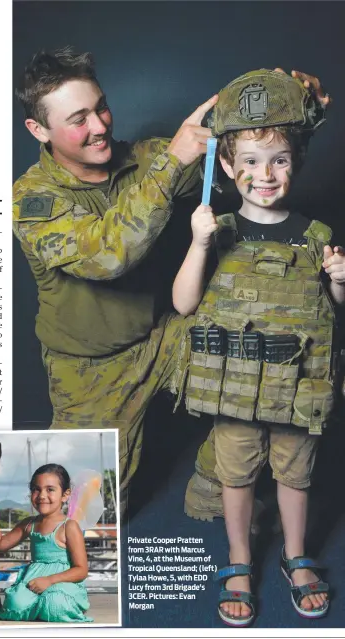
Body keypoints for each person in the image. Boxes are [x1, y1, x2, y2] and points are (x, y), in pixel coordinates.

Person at [12, 47, 330, 518]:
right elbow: (107, 254)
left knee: (263, 353)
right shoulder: (31, 198)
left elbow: (241, 167)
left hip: (165, 334)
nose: (100, 126)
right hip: (90, 370)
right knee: (84, 519)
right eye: (78, 119)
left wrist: (300, 113)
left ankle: (211, 481)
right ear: (39, 130)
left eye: (101, 107)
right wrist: (171, 164)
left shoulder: (141, 158)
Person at [173, 69, 341, 626]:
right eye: (248, 161)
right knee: (237, 475)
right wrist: (197, 246)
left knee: (296, 474)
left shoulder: (315, 234)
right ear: (226, 166)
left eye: (279, 161)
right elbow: (183, 303)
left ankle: (296, 556)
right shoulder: (218, 230)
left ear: (295, 163)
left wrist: (339, 278)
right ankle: (240, 560)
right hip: (237, 393)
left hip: (296, 392)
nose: (263, 175)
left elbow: (330, 310)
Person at [0, 463, 93, 623]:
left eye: (50, 489)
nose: (42, 495)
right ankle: (41, 608)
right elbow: (0, 544)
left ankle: (61, 605)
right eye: (36, 489)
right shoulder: (29, 524)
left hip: (62, 581)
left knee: (55, 603)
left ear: (65, 495)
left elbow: (81, 570)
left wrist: (49, 580)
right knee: (15, 603)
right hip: (34, 579)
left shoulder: (69, 527)